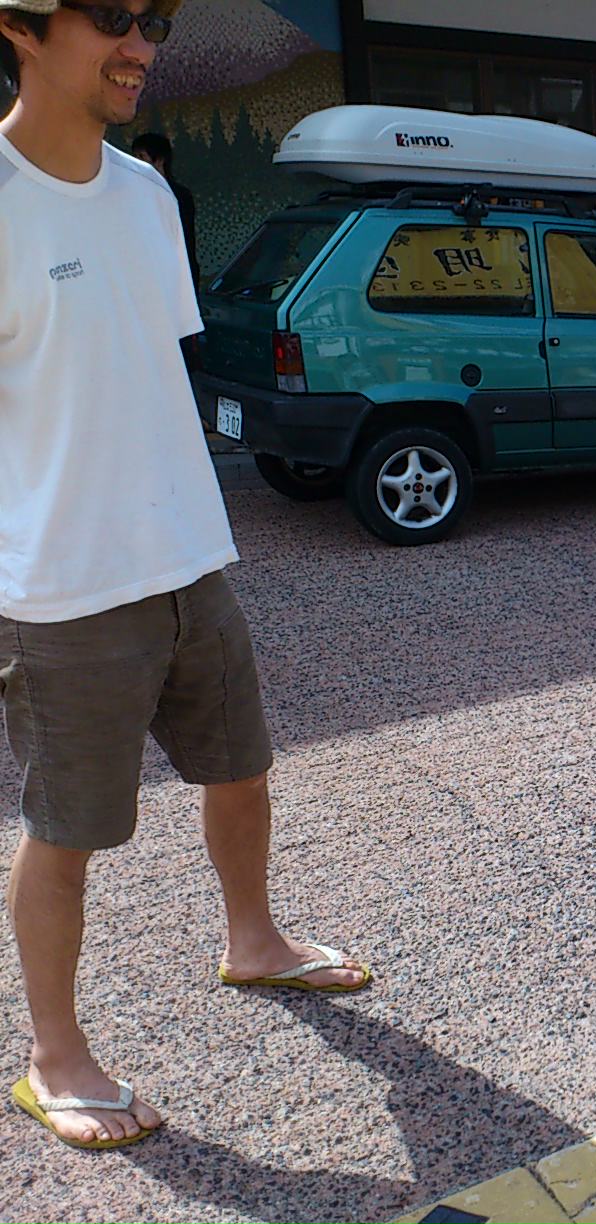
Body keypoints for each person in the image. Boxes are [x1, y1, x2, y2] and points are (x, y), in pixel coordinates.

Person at [0, 0, 370, 1152]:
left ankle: (252, 940)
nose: (142, 46)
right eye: (112, 16)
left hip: (187, 553)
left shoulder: (147, 193)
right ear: (18, 28)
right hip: (63, 581)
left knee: (243, 772)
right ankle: (52, 1055)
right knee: (68, 831)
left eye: (153, 18)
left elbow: (142, 363)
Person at [131, 130, 197, 285]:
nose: (135, 162)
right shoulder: (134, 194)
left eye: (141, 157)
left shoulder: (178, 195)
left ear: (159, 160)